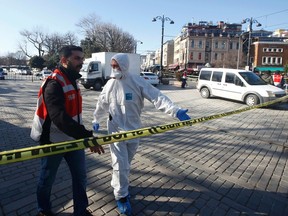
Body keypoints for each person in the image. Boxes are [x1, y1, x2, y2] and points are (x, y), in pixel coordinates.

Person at [92, 53, 191, 216]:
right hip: (115, 131)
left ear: (124, 65)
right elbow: (101, 103)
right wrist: (96, 118)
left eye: (116, 65)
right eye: (112, 66)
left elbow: (157, 96)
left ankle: (119, 184)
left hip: (134, 130)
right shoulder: (109, 84)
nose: (114, 69)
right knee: (120, 165)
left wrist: (175, 111)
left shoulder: (136, 81)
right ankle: (121, 196)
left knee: (126, 163)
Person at [30, 45, 104, 216]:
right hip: (53, 141)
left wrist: (82, 138)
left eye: (82, 58)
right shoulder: (54, 83)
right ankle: (44, 211)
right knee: (47, 179)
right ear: (64, 60)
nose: (81, 62)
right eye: (77, 58)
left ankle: (80, 210)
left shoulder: (72, 79)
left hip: (73, 140)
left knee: (80, 177)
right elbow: (60, 118)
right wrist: (87, 136)